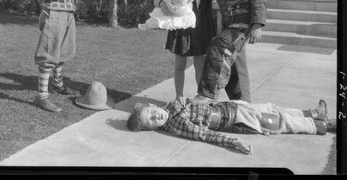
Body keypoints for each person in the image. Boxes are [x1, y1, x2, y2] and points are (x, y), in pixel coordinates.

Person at [193, 0, 266, 104]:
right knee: (234, 64)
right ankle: (241, 102)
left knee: (217, 46)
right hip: (227, 23)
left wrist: (257, 26)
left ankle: (206, 94)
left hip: (242, 23)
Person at [126, 97, 335, 155]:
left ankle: (314, 114)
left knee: (272, 108)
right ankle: (320, 125)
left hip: (232, 107)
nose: (156, 117)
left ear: (153, 106)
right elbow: (206, 135)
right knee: (279, 122)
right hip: (236, 121)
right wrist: (235, 142)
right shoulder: (177, 123)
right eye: (152, 122)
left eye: (152, 113)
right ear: (153, 129)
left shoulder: (172, 106)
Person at [152, 0, 219, 98]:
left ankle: (201, 96)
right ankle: (179, 97)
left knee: (200, 64)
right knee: (180, 64)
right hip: (181, 29)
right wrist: (162, 3)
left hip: (201, 27)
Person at [33, 0, 83, 112]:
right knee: (48, 53)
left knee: (63, 50)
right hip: (53, 13)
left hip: (66, 12)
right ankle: (42, 96)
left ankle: (57, 84)